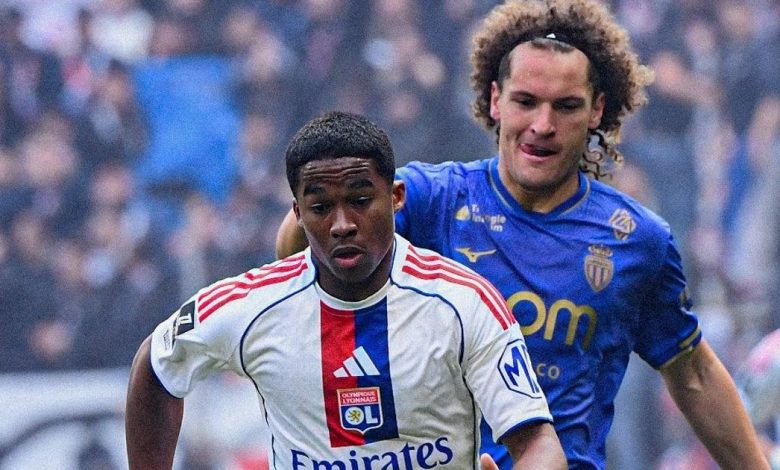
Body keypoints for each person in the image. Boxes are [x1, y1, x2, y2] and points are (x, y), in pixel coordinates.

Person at [275, 1, 769, 469]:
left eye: (566, 106)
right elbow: (296, 259)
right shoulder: (430, 200)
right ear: (496, 100)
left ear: (597, 110)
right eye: (526, 102)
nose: (543, 125)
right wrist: (330, 193)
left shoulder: (637, 240)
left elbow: (693, 374)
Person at [126, 111, 566, 470]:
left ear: (396, 197)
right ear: (298, 212)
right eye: (321, 207)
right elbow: (156, 364)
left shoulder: (464, 302)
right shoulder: (252, 307)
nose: (342, 225)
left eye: (360, 200)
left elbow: (537, 443)